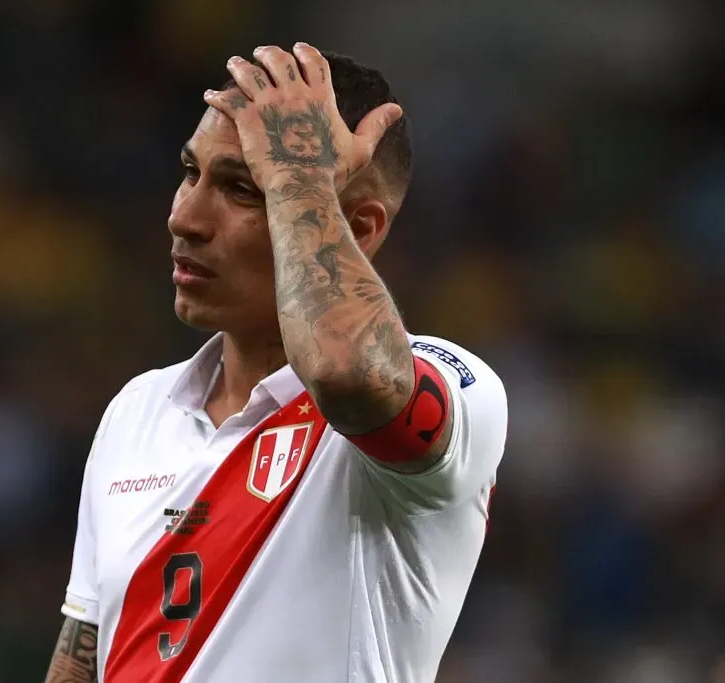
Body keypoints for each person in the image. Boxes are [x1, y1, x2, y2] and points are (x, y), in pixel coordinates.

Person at [44, 43, 508, 683]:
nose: (184, 217)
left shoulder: (455, 389)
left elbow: (347, 372)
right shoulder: (137, 412)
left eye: (243, 187)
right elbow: (82, 657)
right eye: (190, 173)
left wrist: (297, 176)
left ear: (360, 227)